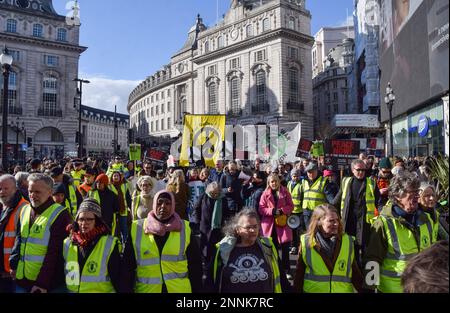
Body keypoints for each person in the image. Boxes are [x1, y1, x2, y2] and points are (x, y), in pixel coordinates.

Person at [363, 171, 434, 293]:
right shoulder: (383, 223)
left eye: (417, 192)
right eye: (411, 193)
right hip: (393, 289)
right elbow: (372, 260)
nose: (417, 197)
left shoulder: (426, 219)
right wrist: (369, 289)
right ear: (397, 196)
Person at [122, 191, 203, 293]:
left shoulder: (185, 228)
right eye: (159, 203)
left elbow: (195, 266)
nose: (163, 206)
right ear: (154, 204)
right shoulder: (137, 228)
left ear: (173, 206)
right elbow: (127, 267)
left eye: (167, 203)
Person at [9, 173, 72, 293]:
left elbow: (55, 252)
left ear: (49, 192)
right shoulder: (25, 209)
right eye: (30, 191)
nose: (32, 195)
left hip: (45, 284)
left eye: (37, 192)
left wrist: (42, 283)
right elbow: (19, 239)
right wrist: (14, 264)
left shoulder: (60, 214)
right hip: (22, 278)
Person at [207, 209, 290, 293]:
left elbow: (282, 280)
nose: (253, 230)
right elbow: (210, 283)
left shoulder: (268, 247)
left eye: (255, 226)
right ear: (237, 230)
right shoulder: (223, 249)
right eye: (248, 227)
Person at [293, 204, 363, 293]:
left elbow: (355, 272)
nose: (336, 224)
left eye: (337, 220)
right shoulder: (306, 242)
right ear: (319, 222)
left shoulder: (347, 241)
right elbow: (299, 274)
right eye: (331, 221)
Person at [63, 198, 121, 293]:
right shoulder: (67, 243)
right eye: (81, 219)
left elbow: (118, 279)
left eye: (89, 219)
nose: (84, 223)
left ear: (97, 221)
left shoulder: (109, 244)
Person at [332, 159, 380, 267]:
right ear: (353, 170)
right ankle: (354, 273)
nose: (361, 172)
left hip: (366, 222)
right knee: (351, 249)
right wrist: (327, 209)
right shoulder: (346, 181)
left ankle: (365, 276)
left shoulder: (371, 183)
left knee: (365, 250)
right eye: (358, 170)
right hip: (349, 221)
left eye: (363, 170)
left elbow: (379, 202)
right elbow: (337, 200)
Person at [259, 174, 294, 279]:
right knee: (272, 249)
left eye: (275, 181)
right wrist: (272, 211)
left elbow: (291, 206)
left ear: (279, 181)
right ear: (269, 183)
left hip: (282, 224)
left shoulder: (285, 192)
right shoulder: (265, 194)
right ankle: (275, 268)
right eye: (272, 182)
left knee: (285, 248)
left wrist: (282, 210)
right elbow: (261, 209)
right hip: (269, 226)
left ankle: (287, 270)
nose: (274, 183)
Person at [0, 175, 29, 293]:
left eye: (6, 189)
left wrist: (15, 265)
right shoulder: (3, 206)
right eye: (0, 189)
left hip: (13, 272)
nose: (2, 192)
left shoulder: (24, 207)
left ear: (15, 189)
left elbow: (23, 240)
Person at [193, 182, 225, 275]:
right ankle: (206, 266)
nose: (215, 195)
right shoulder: (204, 196)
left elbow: (226, 212)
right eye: (212, 193)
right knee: (205, 247)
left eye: (216, 193)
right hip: (205, 226)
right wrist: (198, 221)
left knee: (215, 247)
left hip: (218, 228)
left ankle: (214, 265)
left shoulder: (223, 198)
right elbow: (196, 208)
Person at [300, 162, 336, 230]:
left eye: (312, 172)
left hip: (318, 213)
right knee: (309, 232)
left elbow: (330, 199)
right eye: (309, 172)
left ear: (316, 171)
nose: (310, 174)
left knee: (318, 232)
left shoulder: (323, 182)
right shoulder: (304, 182)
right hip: (306, 213)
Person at [109, 171, 132, 243]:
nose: (116, 177)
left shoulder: (124, 185)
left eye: (117, 176)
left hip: (123, 210)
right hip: (112, 211)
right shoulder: (109, 186)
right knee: (113, 228)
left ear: (120, 177)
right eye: (114, 176)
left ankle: (125, 243)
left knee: (124, 228)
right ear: (112, 177)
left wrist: (130, 208)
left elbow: (128, 198)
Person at [287, 169, 304, 255]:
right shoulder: (289, 183)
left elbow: (303, 197)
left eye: (297, 176)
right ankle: (293, 246)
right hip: (291, 211)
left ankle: (300, 246)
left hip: (299, 211)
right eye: (294, 176)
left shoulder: (301, 185)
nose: (295, 178)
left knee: (299, 231)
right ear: (291, 176)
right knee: (292, 230)